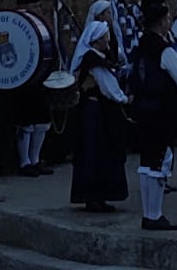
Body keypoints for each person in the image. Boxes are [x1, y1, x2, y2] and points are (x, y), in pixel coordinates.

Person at [130, 0, 177, 229]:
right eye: (167, 18)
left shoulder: (140, 46)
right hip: (161, 111)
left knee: (147, 162)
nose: (169, 21)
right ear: (162, 21)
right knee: (160, 160)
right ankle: (154, 215)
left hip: (143, 110)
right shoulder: (163, 49)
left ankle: (149, 214)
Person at [67, 18, 130, 212]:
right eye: (105, 37)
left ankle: (98, 196)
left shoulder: (95, 57)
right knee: (96, 153)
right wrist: (125, 99)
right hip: (94, 114)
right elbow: (107, 86)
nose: (108, 41)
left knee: (97, 153)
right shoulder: (93, 59)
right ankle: (93, 196)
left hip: (95, 112)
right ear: (97, 40)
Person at [11, 0, 57, 176]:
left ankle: (36, 159)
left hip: (39, 78)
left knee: (42, 121)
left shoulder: (40, 23)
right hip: (23, 80)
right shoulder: (17, 23)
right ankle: (25, 162)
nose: (38, 9)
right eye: (34, 5)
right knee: (26, 123)